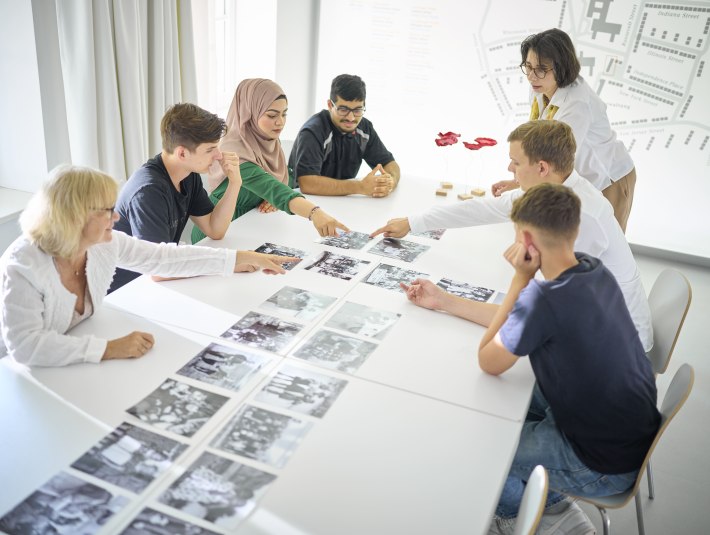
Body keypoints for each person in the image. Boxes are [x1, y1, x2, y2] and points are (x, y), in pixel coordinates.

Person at [401, 184, 660, 534]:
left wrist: (520, 278)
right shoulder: (593, 269)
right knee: (505, 410)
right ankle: (549, 501)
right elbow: (521, 319)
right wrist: (444, 301)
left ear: (526, 240)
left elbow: (488, 360)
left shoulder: (542, 298)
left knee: (483, 447)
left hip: (602, 465)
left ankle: (514, 519)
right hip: (628, 434)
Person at [371, 120, 652, 351]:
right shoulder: (553, 191)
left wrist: (445, 302)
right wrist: (412, 222)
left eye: (515, 162)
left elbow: (529, 318)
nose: (509, 169)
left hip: (615, 346)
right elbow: (481, 209)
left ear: (542, 167)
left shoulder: (581, 218)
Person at [0, 165, 296, 367]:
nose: (116, 218)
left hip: (72, 363)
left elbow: (164, 258)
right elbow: (25, 346)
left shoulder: (104, 243)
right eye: (107, 211)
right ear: (75, 215)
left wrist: (240, 257)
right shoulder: (24, 265)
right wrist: (108, 349)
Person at [492, 28, 636, 232]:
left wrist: (521, 185)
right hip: (580, 177)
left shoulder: (576, 104)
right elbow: (537, 143)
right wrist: (517, 181)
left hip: (609, 178)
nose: (532, 76)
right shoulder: (540, 87)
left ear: (561, 67)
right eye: (528, 66)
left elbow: (555, 158)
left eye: (541, 69)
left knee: (606, 245)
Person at [193, 78, 348, 243]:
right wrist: (315, 213)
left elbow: (286, 179)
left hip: (253, 228)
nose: (280, 122)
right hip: (218, 235)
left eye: (284, 114)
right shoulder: (233, 152)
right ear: (249, 112)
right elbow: (274, 189)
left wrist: (271, 198)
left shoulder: (268, 142)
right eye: (272, 115)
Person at [111, 103, 244, 292]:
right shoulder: (148, 191)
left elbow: (215, 229)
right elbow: (158, 270)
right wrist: (226, 263)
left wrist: (235, 183)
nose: (218, 156)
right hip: (124, 294)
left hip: (153, 287)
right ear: (182, 153)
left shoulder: (189, 175)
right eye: (210, 150)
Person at [288, 73, 400, 197]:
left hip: (344, 203)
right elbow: (307, 184)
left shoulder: (364, 128)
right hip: (306, 204)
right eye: (343, 110)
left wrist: (390, 182)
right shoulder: (313, 132)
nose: (351, 118)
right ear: (330, 105)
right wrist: (360, 186)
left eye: (357, 110)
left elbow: (390, 164)